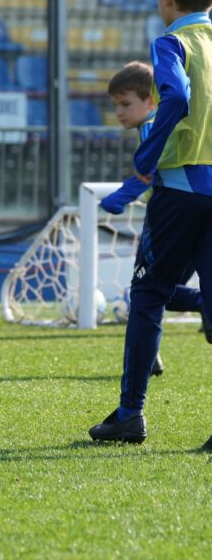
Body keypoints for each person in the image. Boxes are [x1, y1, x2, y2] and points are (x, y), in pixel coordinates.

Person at [89, 0, 212, 445]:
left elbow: (176, 96)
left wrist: (147, 155)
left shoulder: (172, 43)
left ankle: (129, 415)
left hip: (180, 190)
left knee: (147, 295)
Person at [98, 61, 209, 377]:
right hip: (191, 215)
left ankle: (201, 303)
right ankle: (151, 358)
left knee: (148, 291)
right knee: (157, 292)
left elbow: (148, 172)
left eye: (125, 104)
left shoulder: (152, 126)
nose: (119, 112)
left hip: (169, 220)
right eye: (116, 105)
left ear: (151, 101)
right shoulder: (161, 123)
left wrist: (119, 198)